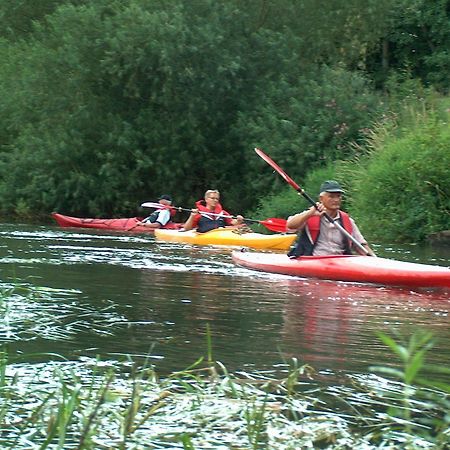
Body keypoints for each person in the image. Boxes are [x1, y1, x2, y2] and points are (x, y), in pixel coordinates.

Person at [286, 180, 376, 257]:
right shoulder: (310, 215)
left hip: (340, 262)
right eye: (331, 196)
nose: (336, 200)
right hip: (314, 260)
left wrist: (375, 260)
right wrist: (310, 213)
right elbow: (290, 225)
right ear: (321, 198)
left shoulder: (348, 221)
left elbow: (361, 245)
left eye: (338, 196)